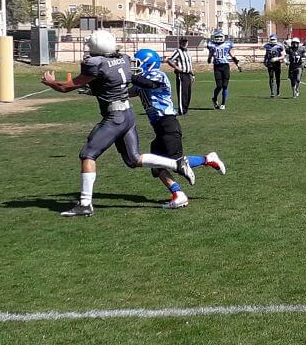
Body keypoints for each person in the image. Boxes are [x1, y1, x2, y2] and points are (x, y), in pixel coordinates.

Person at [40, 30, 196, 218]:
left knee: (87, 154)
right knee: (133, 159)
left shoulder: (96, 64)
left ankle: (85, 203)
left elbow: (65, 87)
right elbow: (107, 79)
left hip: (115, 117)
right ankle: (176, 164)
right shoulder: (123, 58)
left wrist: (50, 82)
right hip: (128, 115)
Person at [130, 48, 227, 209]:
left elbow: (150, 84)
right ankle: (178, 194)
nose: (134, 66)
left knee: (176, 163)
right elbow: (126, 92)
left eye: (138, 63)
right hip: (158, 128)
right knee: (156, 166)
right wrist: (98, 90)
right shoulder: (141, 81)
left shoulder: (157, 76)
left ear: (148, 63)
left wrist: (129, 76)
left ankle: (208, 159)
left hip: (168, 124)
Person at [206, 29, 241, 110]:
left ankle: (223, 103)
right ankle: (214, 98)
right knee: (219, 86)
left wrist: (238, 65)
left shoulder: (227, 44)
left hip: (225, 66)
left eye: (219, 36)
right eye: (216, 37)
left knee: (225, 86)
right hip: (217, 66)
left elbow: (232, 55)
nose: (218, 38)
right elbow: (211, 53)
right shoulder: (211, 45)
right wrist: (209, 58)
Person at [165, 37, 193, 115]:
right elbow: (169, 60)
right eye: (183, 42)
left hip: (188, 74)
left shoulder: (188, 52)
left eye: (186, 42)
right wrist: (176, 67)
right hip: (182, 74)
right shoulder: (178, 51)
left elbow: (189, 64)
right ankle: (182, 110)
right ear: (180, 43)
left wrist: (192, 73)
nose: (184, 43)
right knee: (182, 92)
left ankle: (186, 109)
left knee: (188, 93)